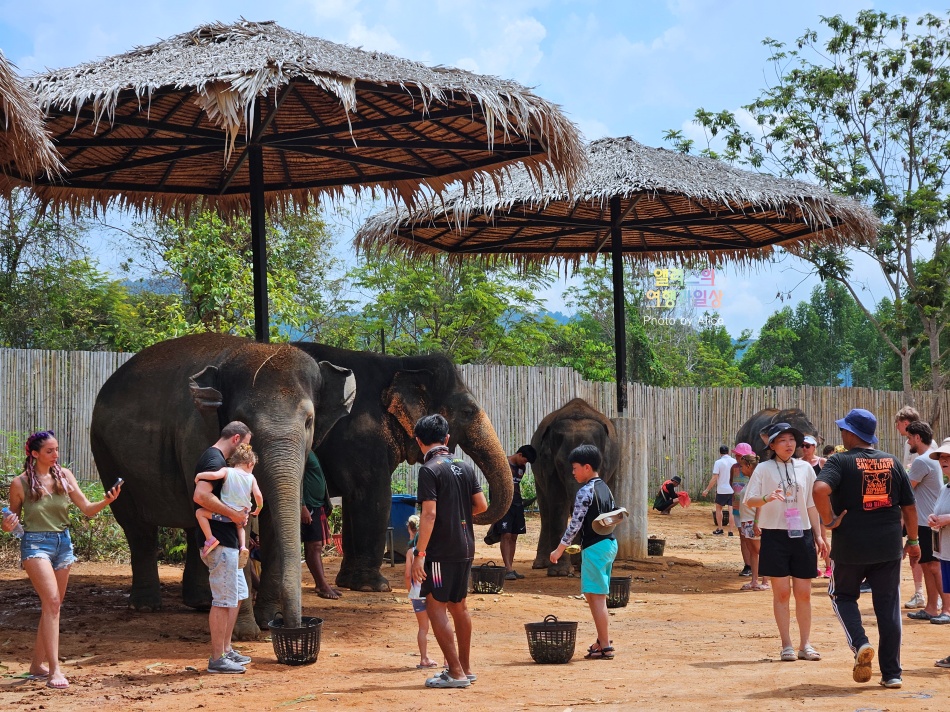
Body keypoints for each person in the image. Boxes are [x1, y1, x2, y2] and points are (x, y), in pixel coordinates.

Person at [0, 430, 122, 690]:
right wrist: (7, 524)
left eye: (57, 450)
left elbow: (87, 509)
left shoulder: (64, 476)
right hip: (35, 544)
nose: (56, 455)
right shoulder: (20, 483)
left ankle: (36, 666)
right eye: (49, 451)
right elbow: (11, 522)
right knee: (53, 602)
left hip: (63, 544)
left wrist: (107, 500)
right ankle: (55, 670)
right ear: (34, 454)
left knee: (51, 606)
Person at [814, 408, 919, 689]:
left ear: (850, 433)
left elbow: (819, 490)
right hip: (888, 547)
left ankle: (860, 643)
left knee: (841, 595)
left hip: (850, 547)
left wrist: (828, 521)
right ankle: (892, 674)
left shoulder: (839, 461)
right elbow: (909, 506)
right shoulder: (893, 462)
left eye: (843, 431)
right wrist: (913, 541)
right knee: (888, 609)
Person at [410, 414, 487, 689]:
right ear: (446, 439)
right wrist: (459, 516)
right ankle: (465, 668)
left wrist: (420, 554)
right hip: (466, 546)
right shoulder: (463, 466)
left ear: (419, 441)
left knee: (435, 605)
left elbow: (428, 515)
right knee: (459, 605)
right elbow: (481, 505)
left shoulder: (429, 469)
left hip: (441, 551)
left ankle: (455, 672)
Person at [742, 423, 827, 663]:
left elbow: (811, 504)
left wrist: (819, 536)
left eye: (792, 440)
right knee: (781, 594)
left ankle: (806, 644)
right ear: (772, 445)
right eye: (783, 440)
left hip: (802, 534)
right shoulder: (764, 469)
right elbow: (750, 500)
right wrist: (769, 497)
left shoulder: (805, 469)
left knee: (804, 593)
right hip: (775, 535)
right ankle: (786, 645)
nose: (789, 444)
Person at [193, 421, 254, 675]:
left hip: (229, 542)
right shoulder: (213, 460)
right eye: (246, 445)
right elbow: (201, 496)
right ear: (237, 439)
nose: (246, 451)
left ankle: (226, 650)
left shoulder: (223, 464)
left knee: (237, 596)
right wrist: (235, 516)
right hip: (219, 542)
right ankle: (216, 658)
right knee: (222, 600)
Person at [549, 444, 620, 660]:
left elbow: (575, 525)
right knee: (595, 595)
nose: (573, 472)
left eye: (575, 467)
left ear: (587, 467)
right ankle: (601, 640)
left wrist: (559, 550)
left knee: (596, 597)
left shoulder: (585, 491)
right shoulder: (604, 488)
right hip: (608, 544)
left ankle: (605, 645)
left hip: (595, 548)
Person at [904, 421, 950, 623]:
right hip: (931, 525)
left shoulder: (922, 461)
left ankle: (944, 608)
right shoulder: (943, 483)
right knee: (928, 564)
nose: (943, 461)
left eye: (909, 438)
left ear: (917, 437)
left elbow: (906, 490)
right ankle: (934, 607)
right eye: (943, 457)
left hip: (928, 524)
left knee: (933, 566)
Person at [195, 443, 263, 566]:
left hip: (226, 514)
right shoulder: (252, 477)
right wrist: (258, 508)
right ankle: (243, 547)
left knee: (200, 513)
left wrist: (200, 475)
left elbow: (214, 475)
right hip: (243, 512)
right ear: (250, 464)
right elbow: (258, 495)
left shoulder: (227, 471)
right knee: (240, 527)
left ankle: (210, 539)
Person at [485, 445, 537, 580]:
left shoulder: (521, 468)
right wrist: (496, 506)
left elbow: (516, 486)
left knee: (514, 536)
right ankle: (507, 568)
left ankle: (511, 568)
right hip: (504, 505)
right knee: (506, 535)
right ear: (519, 454)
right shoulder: (503, 465)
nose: (525, 463)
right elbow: (493, 486)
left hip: (517, 505)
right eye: (524, 460)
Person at [895, 406, 925, 609]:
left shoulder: (917, 444)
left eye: (898, 423)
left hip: (915, 505)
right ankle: (919, 592)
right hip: (912, 502)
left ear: (905, 423)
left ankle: (920, 593)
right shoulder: (911, 443)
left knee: (918, 551)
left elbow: (911, 479)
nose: (897, 427)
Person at [300, 450, 340, 600]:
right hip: (308, 506)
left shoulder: (310, 452)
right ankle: (322, 585)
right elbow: (297, 479)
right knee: (314, 546)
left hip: (316, 505)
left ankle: (321, 583)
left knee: (316, 546)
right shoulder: (301, 451)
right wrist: (302, 505)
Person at [926, 437, 950, 668]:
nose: (944, 460)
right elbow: (938, 514)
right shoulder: (945, 487)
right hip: (946, 553)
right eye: (942, 457)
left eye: (948, 457)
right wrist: (934, 519)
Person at [405, 514, 438, 669]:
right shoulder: (434, 552)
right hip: (434, 593)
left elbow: (407, 575)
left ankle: (424, 659)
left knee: (423, 628)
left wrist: (410, 592)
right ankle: (447, 659)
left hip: (417, 595)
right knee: (441, 624)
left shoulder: (411, 553)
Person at [734, 451, 766, 590]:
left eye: (742, 466)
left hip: (753, 521)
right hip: (747, 521)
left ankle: (765, 581)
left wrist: (757, 522)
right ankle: (754, 581)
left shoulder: (758, 481)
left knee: (761, 551)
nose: (740, 469)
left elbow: (760, 503)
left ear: (748, 465)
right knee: (753, 551)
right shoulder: (751, 481)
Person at [802, 435, 832, 578]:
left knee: (822, 536)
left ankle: (829, 566)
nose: (804, 448)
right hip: (804, 504)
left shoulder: (822, 462)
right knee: (809, 538)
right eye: (802, 445)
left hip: (819, 504)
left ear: (814, 447)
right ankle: (813, 567)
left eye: (808, 446)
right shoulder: (798, 463)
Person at [731, 443, 755, 575]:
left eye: (739, 455)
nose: (737, 457)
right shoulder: (734, 468)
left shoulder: (755, 469)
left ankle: (757, 564)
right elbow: (731, 482)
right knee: (743, 536)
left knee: (754, 537)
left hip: (751, 508)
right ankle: (748, 565)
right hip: (737, 507)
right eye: (736, 455)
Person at [702, 445, 738, 536]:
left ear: (720, 453)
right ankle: (731, 531)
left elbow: (715, 478)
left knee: (719, 509)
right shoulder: (735, 461)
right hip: (733, 489)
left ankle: (720, 528)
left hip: (722, 490)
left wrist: (707, 490)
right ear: (728, 452)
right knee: (731, 511)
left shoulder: (718, 462)